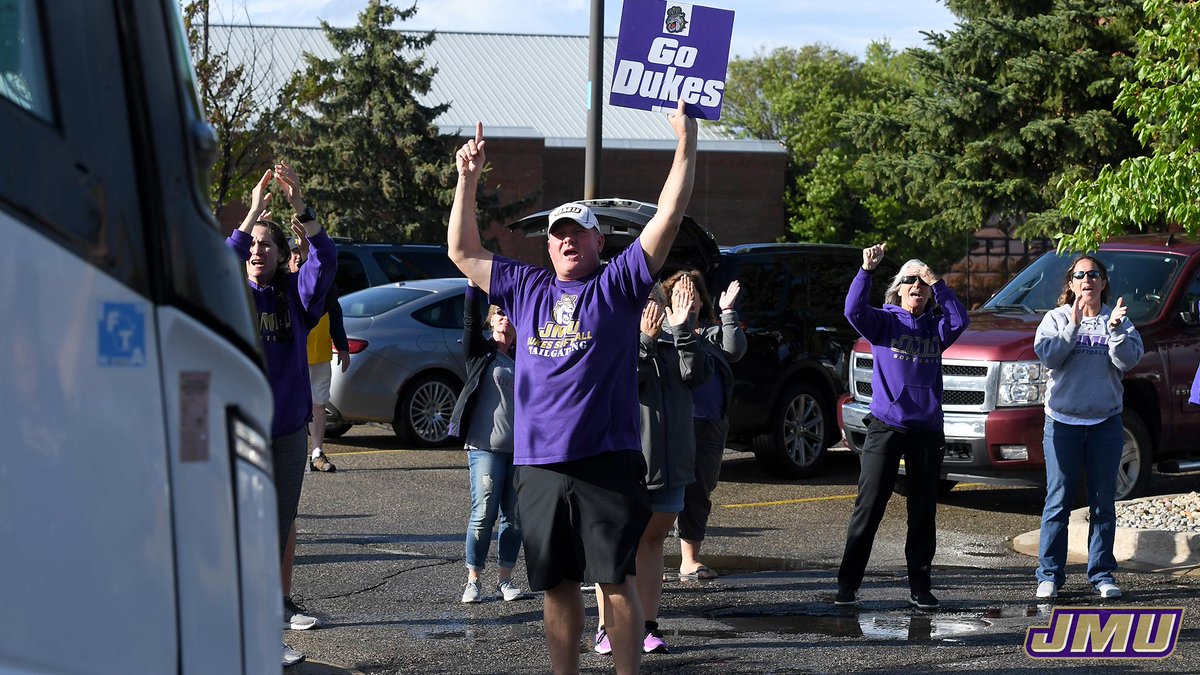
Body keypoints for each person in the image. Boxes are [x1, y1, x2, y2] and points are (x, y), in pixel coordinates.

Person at [446, 98, 697, 675]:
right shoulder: (526, 286)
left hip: (606, 461)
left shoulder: (617, 285)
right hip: (539, 465)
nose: (565, 242)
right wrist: (467, 180)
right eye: (558, 235)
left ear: (597, 243)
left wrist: (685, 143)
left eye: (577, 234)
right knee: (556, 586)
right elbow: (463, 251)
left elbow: (668, 216)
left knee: (615, 582)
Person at [224, 162, 336, 668]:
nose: (255, 251)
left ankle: (265, 635)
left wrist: (300, 208)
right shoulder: (233, 296)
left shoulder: (296, 298)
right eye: (251, 246)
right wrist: (250, 213)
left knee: (274, 534)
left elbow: (326, 259)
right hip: (239, 434)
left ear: (282, 254)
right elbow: (220, 260)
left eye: (266, 245)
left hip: (288, 434)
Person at [835, 243, 969, 610]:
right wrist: (866, 271)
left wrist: (938, 282)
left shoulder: (936, 327)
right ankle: (848, 584)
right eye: (910, 281)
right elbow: (852, 310)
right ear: (898, 289)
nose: (917, 287)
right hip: (886, 425)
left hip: (926, 429)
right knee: (870, 505)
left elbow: (960, 320)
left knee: (923, 510)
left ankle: (920, 587)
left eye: (922, 283)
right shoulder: (884, 321)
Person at [594, 279, 711, 656]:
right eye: (644, 306)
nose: (651, 311)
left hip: (671, 464)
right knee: (615, 550)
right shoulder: (617, 342)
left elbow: (698, 375)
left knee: (652, 542)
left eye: (657, 304)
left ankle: (647, 626)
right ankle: (605, 628)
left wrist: (683, 329)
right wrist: (644, 342)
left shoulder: (679, 340)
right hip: (626, 465)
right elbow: (621, 383)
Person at [1033, 255, 1143, 600]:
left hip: (1105, 423)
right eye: (1080, 275)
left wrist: (1116, 333)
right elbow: (1048, 356)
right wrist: (1073, 326)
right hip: (1062, 421)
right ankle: (1049, 575)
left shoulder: (1118, 318)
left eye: (1093, 274)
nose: (1087, 280)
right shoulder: (1055, 318)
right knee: (1058, 500)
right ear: (1071, 283)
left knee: (1103, 502)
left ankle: (1102, 574)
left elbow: (1129, 361)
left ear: (1102, 282)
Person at [448, 280, 524, 603]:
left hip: (520, 452)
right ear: (491, 319)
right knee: (483, 514)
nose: (506, 318)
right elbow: (468, 322)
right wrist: (471, 288)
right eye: (500, 314)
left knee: (515, 517)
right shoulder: (481, 353)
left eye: (511, 315)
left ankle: (505, 580)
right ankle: (473, 580)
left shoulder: (525, 361)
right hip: (484, 448)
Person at [672, 271, 745, 580]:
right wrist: (680, 322)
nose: (688, 297)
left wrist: (728, 311)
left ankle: (690, 559)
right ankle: (643, 560)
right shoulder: (664, 331)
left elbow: (735, 349)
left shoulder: (711, 334)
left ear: (703, 301)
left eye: (693, 293)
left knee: (700, 491)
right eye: (680, 292)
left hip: (711, 425)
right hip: (676, 426)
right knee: (663, 493)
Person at [305, 279, 349, 473]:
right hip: (292, 357)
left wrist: (343, 348)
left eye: (301, 252)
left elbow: (335, 313)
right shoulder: (284, 281)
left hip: (320, 355)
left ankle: (316, 453)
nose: (298, 257)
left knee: (319, 405)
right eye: (294, 253)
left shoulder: (323, 283)